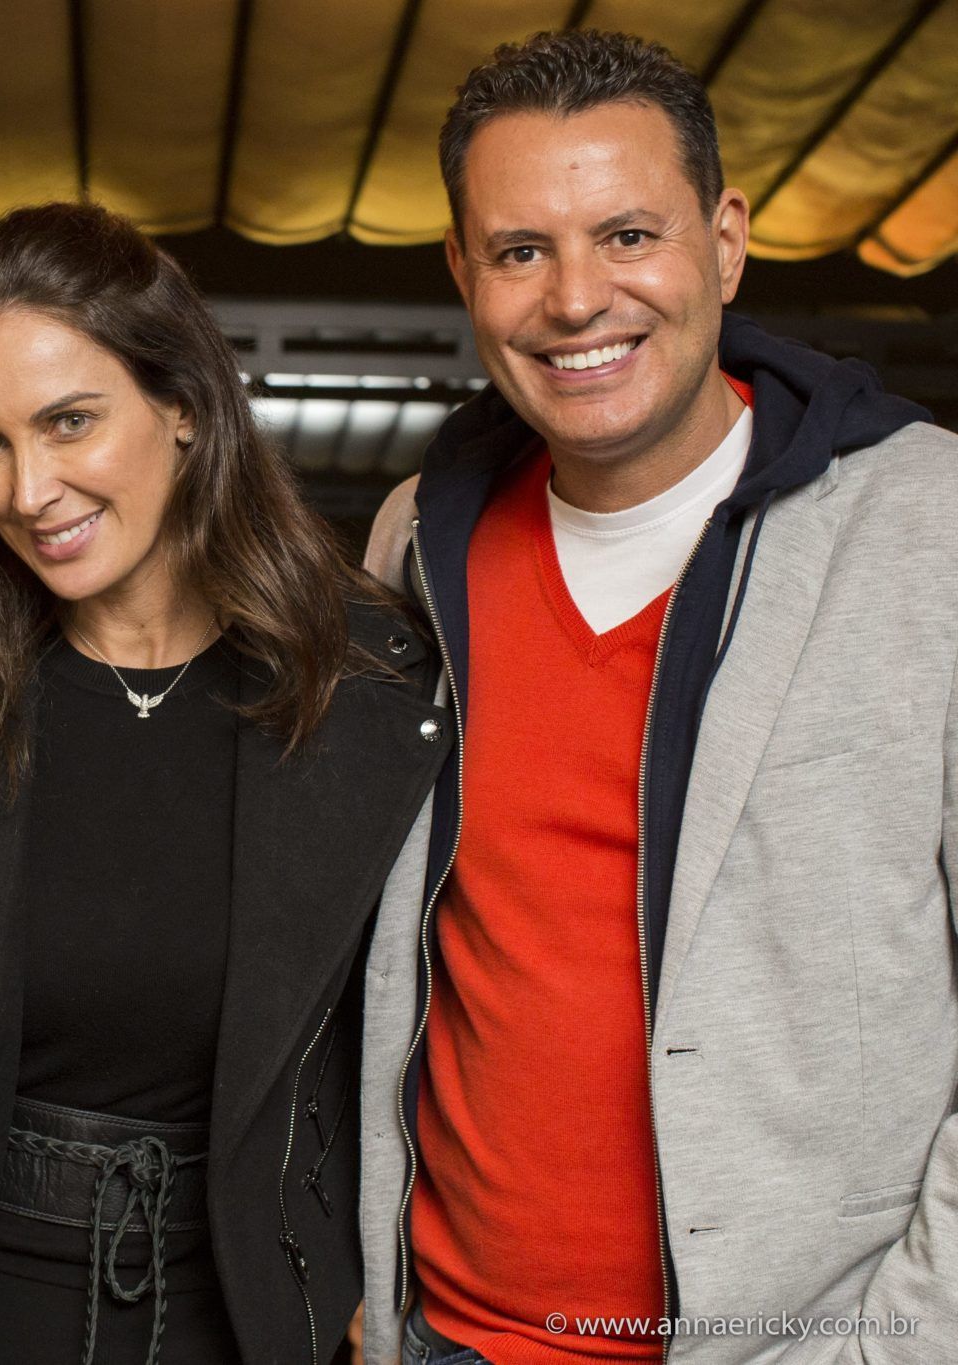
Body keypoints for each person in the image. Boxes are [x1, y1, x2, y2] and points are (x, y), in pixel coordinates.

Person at [359, 30, 958, 1365]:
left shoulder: (929, 530)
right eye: (520, 251)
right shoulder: (417, 542)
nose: (576, 299)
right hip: (446, 1338)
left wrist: (906, 1342)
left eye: (627, 235)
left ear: (725, 242)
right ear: (462, 273)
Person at [0, 202, 449, 1365]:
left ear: (183, 406)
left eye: (68, 421)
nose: (27, 489)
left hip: (252, 1308)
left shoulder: (371, 687)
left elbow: (429, 1022)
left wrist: (371, 1271)